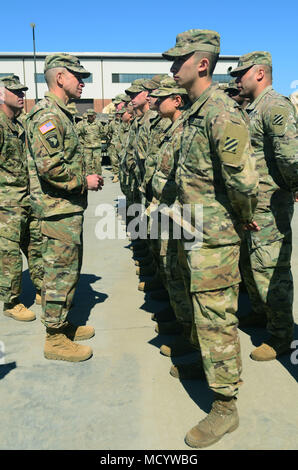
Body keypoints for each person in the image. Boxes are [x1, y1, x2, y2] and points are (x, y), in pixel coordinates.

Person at [162, 29, 259, 448]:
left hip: (215, 238)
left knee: (217, 320)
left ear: (202, 63)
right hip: (193, 231)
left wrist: (241, 220)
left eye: (178, 59)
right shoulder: (195, 111)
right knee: (204, 316)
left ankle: (225, 407)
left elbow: (242, 180)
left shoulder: (221, 111)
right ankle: (206, 368)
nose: (171, 67)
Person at [26, 53, 103, 362]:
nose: (82, 82)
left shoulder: (62, 113)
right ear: (60, 78)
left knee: (67, 272)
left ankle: (62, 324)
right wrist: (85, 181)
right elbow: (50, 168)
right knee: (59, 273)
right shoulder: (47, 115)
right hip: (56, 210)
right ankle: (54, 339)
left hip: (65, 209)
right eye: (77, 76)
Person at [230, 51, 298, 360]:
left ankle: (282, 334)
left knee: (271, 270)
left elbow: (290, 155)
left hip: (271, 204)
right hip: (252, 205)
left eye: (241, 74)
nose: (237, 80)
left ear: (259, 74)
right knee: (251, 265)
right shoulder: (252, 109)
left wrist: (295, 187)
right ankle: (261, 313)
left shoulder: (275, 106)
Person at [0, 75, 43, 321]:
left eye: (22, 91)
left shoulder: (18, 125)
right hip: (5, 204)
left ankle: (40, 288)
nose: (21, 95)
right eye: (15, 91)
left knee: (35, 246)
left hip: (24, 200)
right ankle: (11, 300)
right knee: (8, 254)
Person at [81, 108, 105, 175]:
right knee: (87, 162)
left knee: (97, 162)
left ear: (94, 116)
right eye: (88, 116)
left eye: (91, 116)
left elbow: (103, 133)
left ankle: (98, 175)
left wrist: (97, 138)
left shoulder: (98, 124)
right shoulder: (84, 124)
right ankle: (89, 175)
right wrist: (86, 140)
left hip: (96, 146)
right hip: (87, 146)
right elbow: (82, 133)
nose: (90, 117)